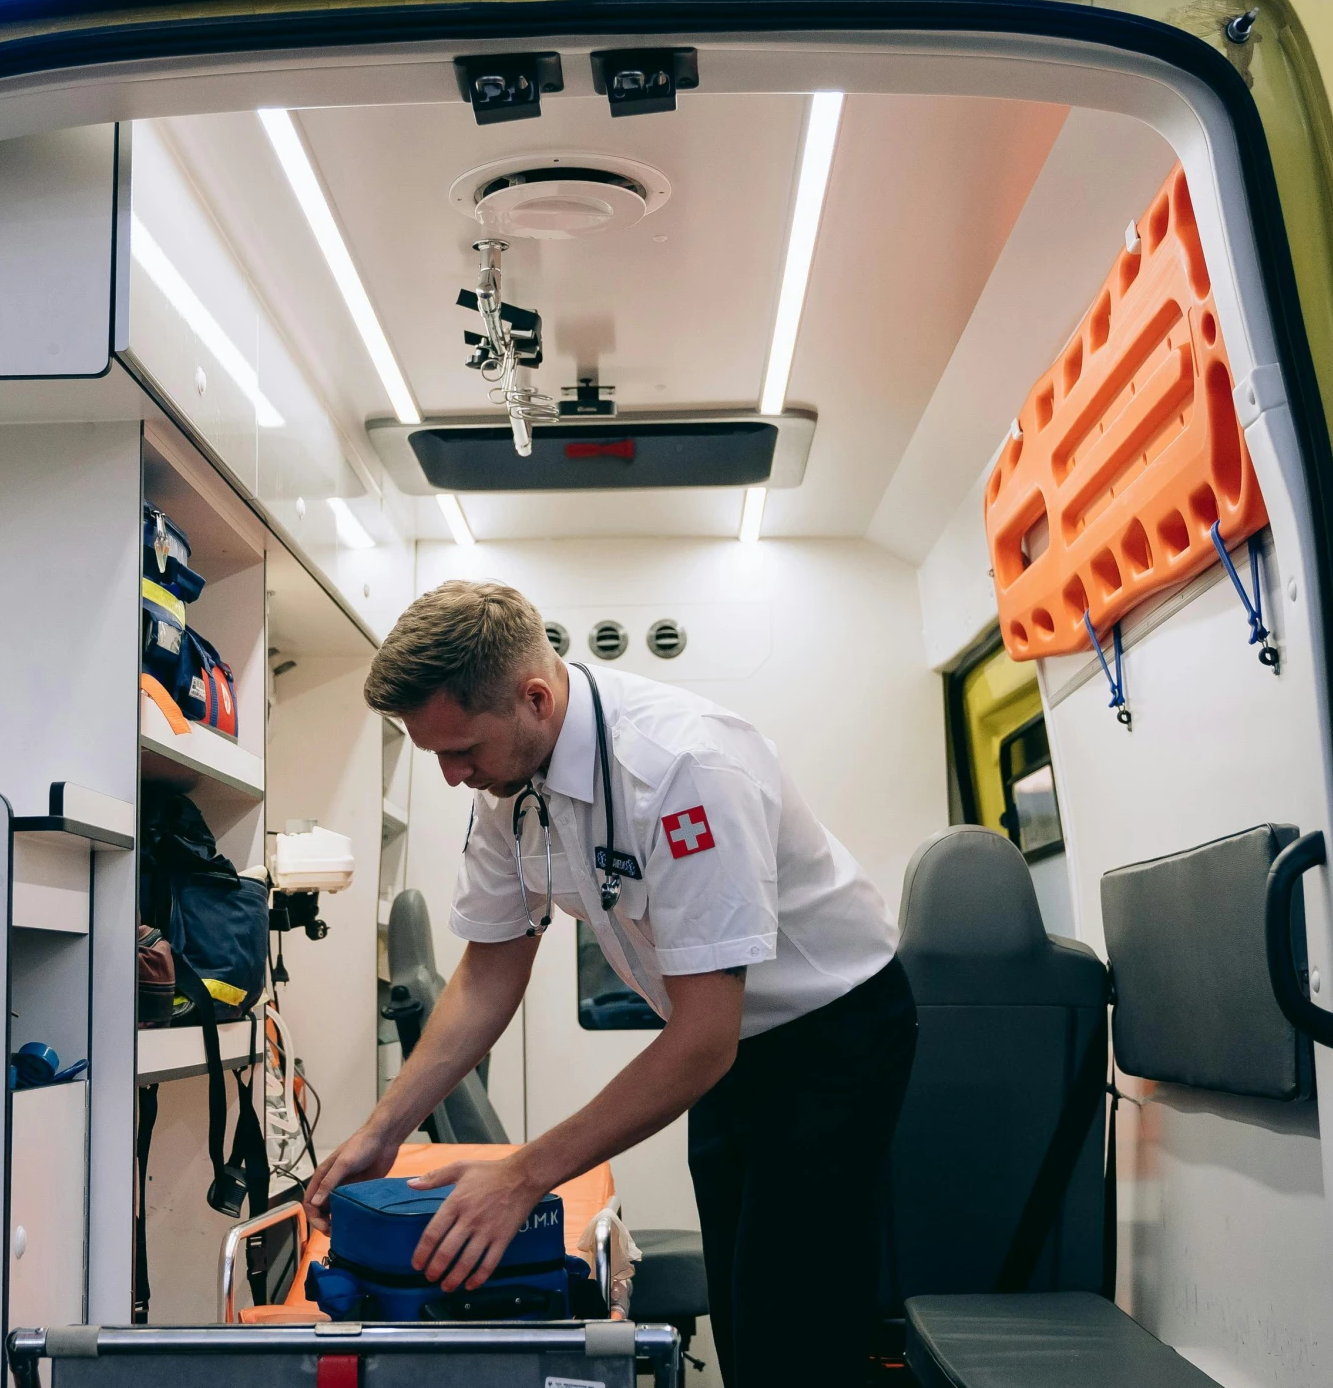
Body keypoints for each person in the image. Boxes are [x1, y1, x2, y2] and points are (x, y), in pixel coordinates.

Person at [304, 580, 914, 1387]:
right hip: (735, 1048)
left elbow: (702, 1038)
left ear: (534, 697)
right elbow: (489, 970)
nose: (452, 776)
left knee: (792, 1326)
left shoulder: (684, 765)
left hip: (835, 1033)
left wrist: (522, 1175)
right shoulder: (507, 782)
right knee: (743, 1316)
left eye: (461, 751)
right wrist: (385, 1129)